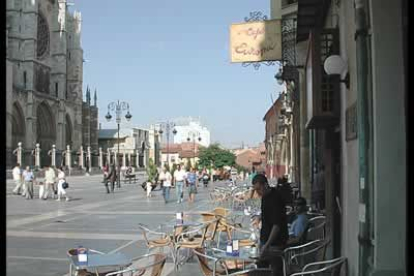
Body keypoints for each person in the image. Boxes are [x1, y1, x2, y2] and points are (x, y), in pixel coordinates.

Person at [251, 174, 288, 275]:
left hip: (275, 243)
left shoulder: (275, 198)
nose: (257, 193)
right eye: (256, 190)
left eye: (259, 189)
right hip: (265, 240)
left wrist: (266, 245)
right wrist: (259, 218)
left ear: (265, 185)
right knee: (261, 267)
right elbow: (268, 214)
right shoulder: (265, 197)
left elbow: (277, 225)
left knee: (274, 271)